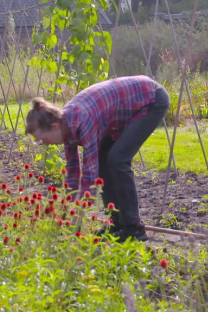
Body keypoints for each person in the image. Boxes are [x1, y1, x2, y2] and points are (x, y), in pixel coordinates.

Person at [25, 76, 170, 242]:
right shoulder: (66, 125)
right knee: (104, 161)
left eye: (43, 139)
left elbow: (89, 174)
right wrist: (68, 212)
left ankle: (134, 228)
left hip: (149, 98)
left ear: (54, 127)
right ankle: (116, 224)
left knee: (117, 160)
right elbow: (73, 172)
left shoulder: (81, 119)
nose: (44, 144)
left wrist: (76, 218)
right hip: (117, 109)